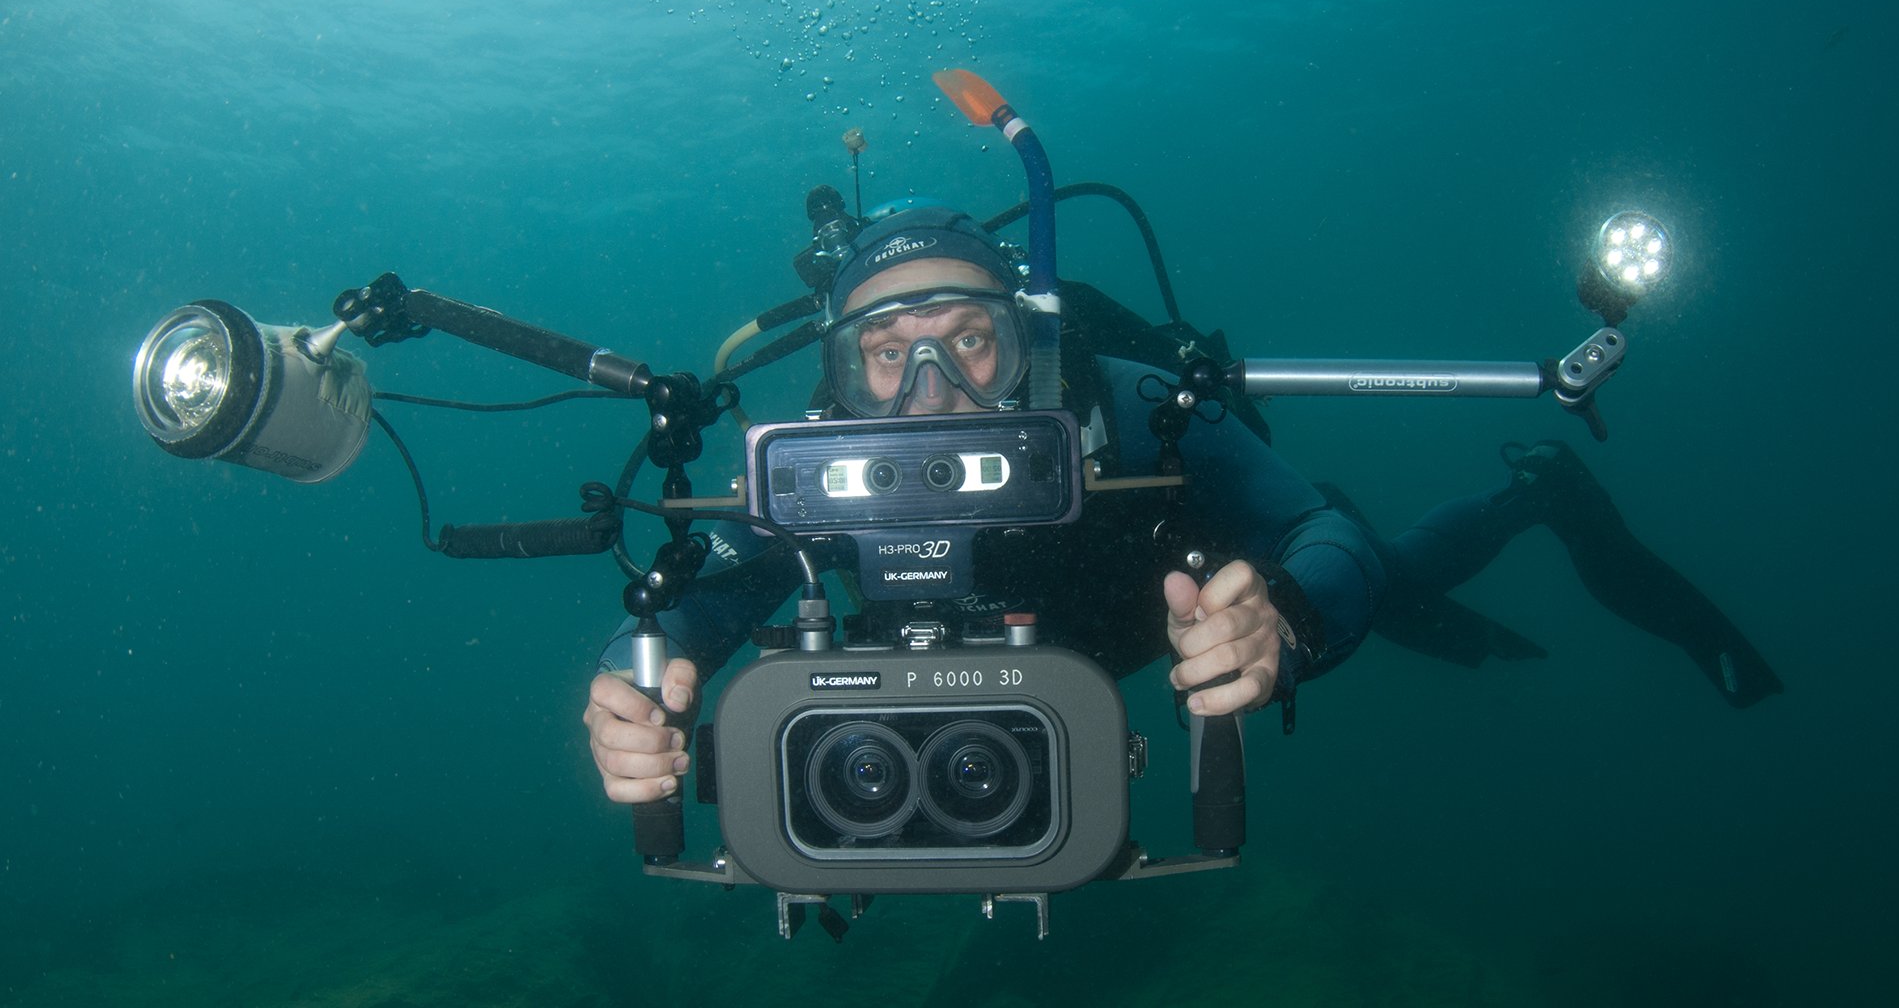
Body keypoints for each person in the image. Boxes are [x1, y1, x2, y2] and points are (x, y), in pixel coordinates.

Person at [583, 205, 1781, 805]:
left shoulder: (1127, 401)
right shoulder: (813, 465)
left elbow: (1322, 529)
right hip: (1071, 668)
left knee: (1395, 581)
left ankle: (1532, 493)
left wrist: (1293, 618)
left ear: (1031, 348)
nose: (932, 381)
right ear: (838, 374)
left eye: (969, 340)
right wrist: (643, 689)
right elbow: (716, 593)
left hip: (1183, 614)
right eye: (891, 352)